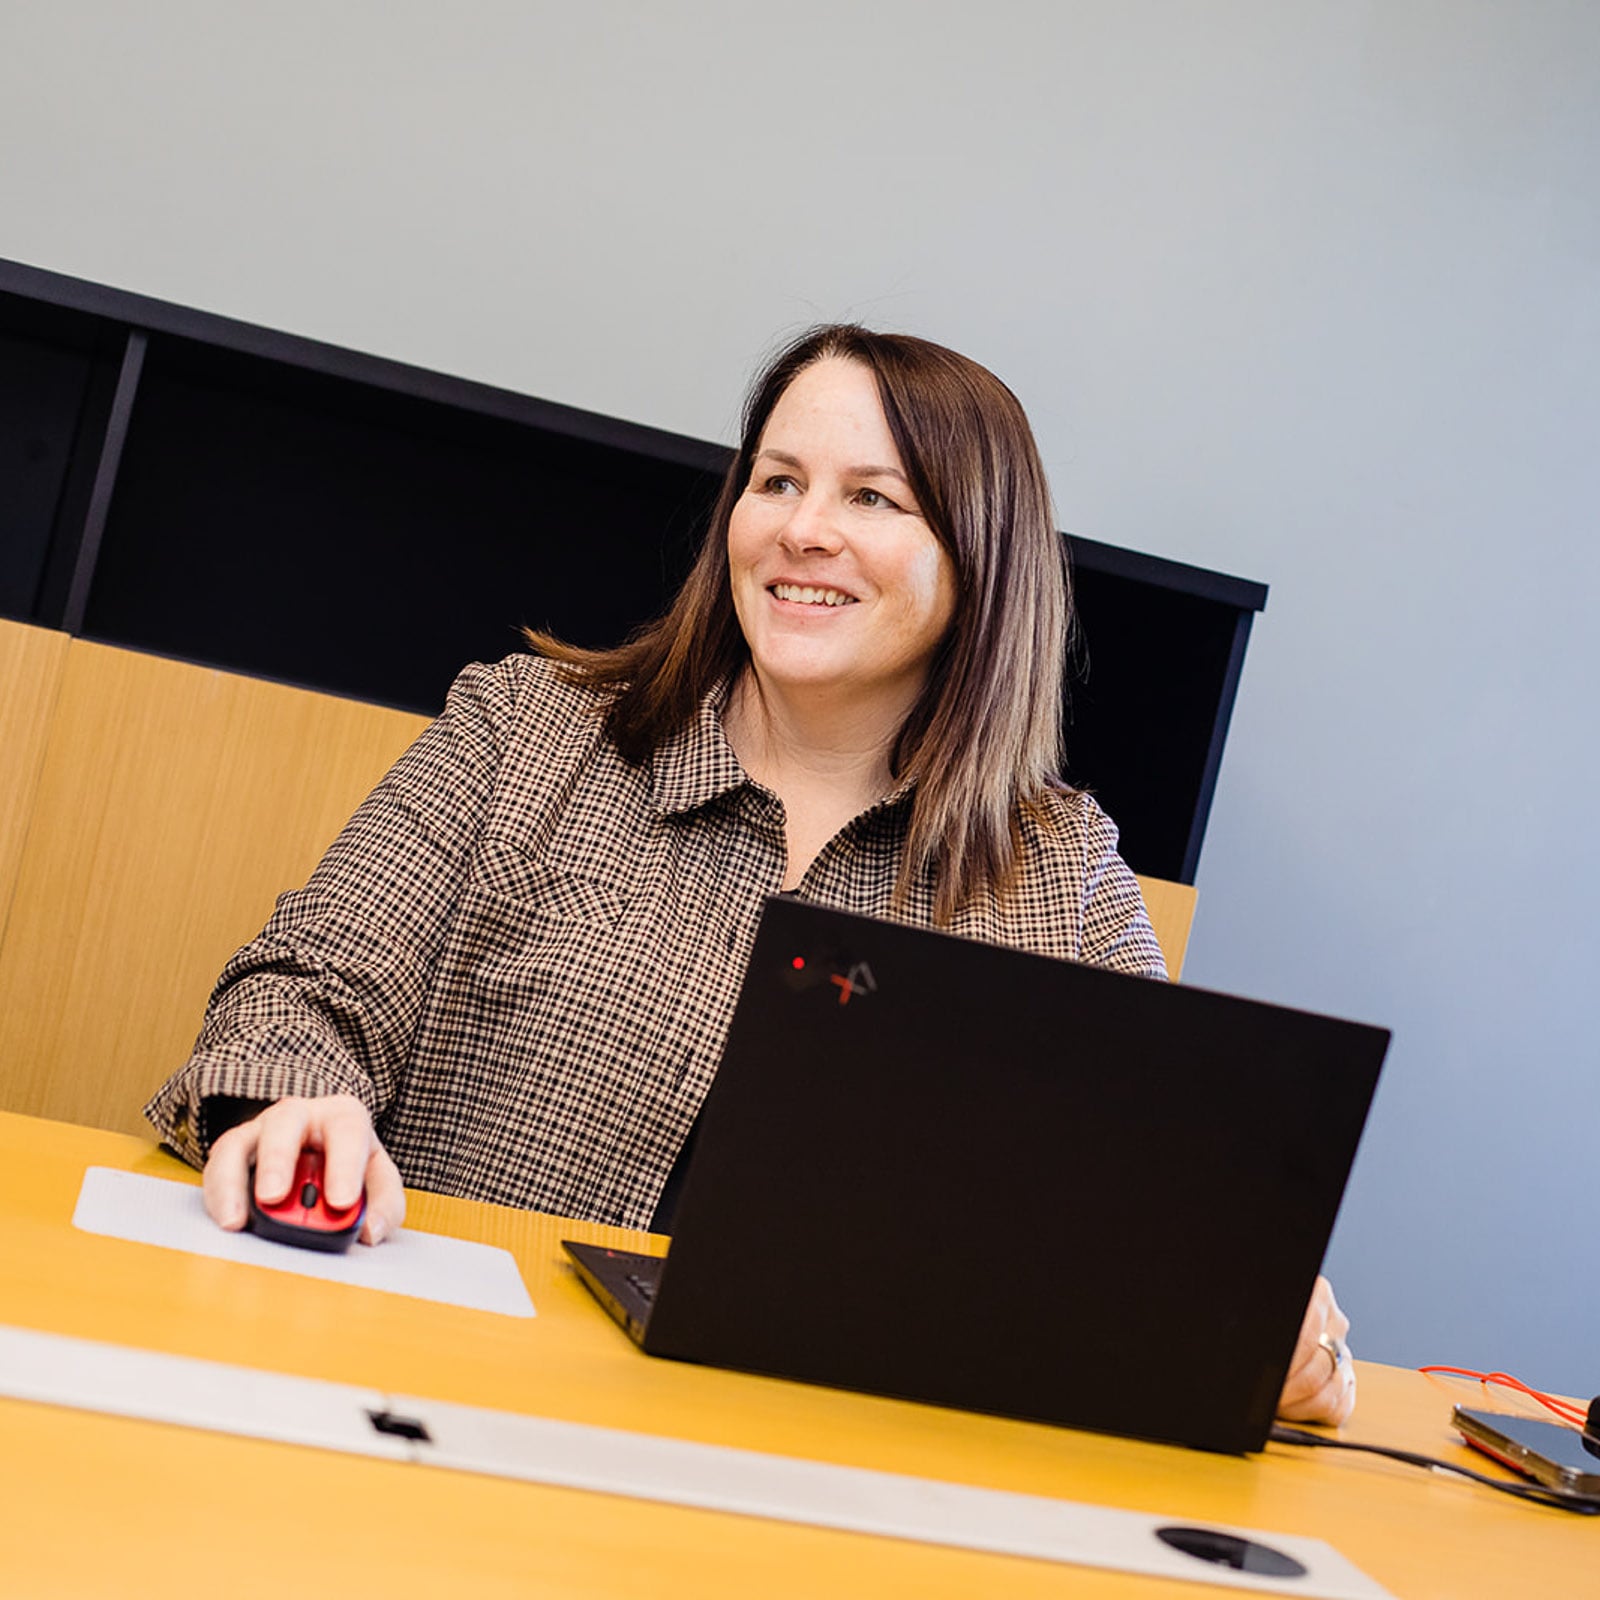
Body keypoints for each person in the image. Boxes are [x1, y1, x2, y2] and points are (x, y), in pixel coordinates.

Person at [145, 324, 1356, 1425]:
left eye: (872, 496)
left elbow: (1151, 1213)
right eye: (777, 481)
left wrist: (1252, 1322)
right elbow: (296, 995)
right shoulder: (524, 729)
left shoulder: (1065, 874)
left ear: (981, 558)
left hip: (814, 1476)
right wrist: (290, 1109)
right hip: (421, 1403)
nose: (800, 529)